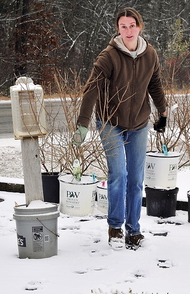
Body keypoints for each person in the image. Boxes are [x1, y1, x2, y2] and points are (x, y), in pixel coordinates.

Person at [72, 7, 167, 250]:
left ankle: (133, 230)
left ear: (140, 27)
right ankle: (115, 228)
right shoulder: (109, 56)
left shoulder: (150, 54)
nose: (127, 30)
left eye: (132, 26)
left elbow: (154, 84)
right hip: (110, 122)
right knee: (119, 175)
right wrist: (83, 124)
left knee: (136, 179)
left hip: (138, 123)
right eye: (123, 26)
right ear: (118, 28)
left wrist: (162, 112)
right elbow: (91, 89)